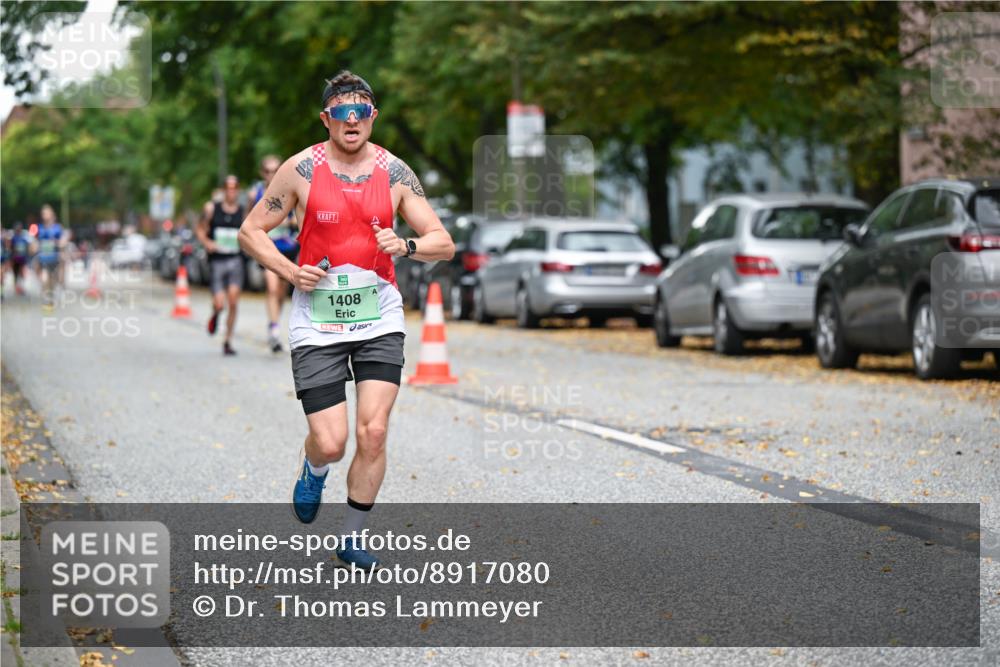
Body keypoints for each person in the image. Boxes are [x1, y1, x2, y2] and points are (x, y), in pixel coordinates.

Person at [239, 70, 454, 568]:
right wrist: (290, 271)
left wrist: (407, 245)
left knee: (373, 431)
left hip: (378, 316)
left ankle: (352, 537)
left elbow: (443, 242)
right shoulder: (301, 169)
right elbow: (251, 231)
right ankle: (315, 468)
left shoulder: (395, 173)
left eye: (360, 111)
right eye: (341, 111)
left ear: (373, 117)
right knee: (332, 442)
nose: (351, 119)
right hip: (317, 320)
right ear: (326, 118)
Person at [250, 155, 299, 353]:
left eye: (275, 170)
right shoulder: (256, 193)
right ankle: (274, 329)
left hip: (287, 247)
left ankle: (274, 322)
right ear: (262, 173)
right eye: (268, 171)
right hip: (267, 247)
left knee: (280, 292)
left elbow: (299, 216)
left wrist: (288, 222)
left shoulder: (289, 189)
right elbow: (248, 221)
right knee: (271, 288)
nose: (271, 174)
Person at [196, 175, 245, 356]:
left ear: (238, 190)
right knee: (219, 304)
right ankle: (216, 314)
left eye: (234, 188)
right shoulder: (211, 208)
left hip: (236, 260)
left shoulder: (243, 211)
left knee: (233, 301)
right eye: (228, 188)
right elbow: (200, 229)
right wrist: (207, 243)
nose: (231, 191)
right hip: (217, 261)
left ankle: (228, 340)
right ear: (223, 190)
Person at [34, 205, 65, 309]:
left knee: (52, 281)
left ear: (51, 214)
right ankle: (46, 299)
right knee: (44, 278)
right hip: (43, 259)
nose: (44, 215)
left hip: (54, 259)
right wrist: (35, 245)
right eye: (43, 213)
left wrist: (57, 243)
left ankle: (50, 297)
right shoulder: (39, 227)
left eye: (46, 213)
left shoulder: (58, 228)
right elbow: (34, 241)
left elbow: (63, 241)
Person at [9, 222, 33, 296]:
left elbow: (28, 247)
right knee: (15, 274)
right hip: (15, 259)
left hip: (23, 259)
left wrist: (28, 255)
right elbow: (11, 248)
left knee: (22, 273)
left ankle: (21, 287)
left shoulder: (24, 237)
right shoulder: (13, 238)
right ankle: (16, 288)